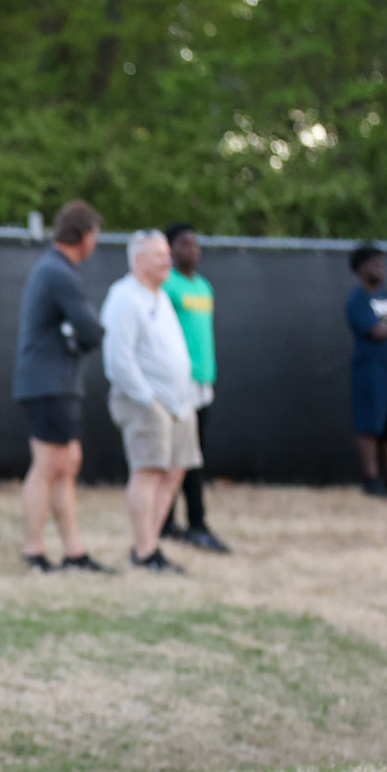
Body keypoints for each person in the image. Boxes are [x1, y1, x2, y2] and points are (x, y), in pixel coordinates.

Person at [12, 200, 108, 573]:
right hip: (47, 385)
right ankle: (34, 552)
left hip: (57, 383)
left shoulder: (53, 269)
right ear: (85, 236)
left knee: (66, 464)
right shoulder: (58, 272)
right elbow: (91, 330)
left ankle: (74, 552)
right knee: (48, 465)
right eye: (95, 235)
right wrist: (81, 337)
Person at [100, 230, 199, 572]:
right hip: (145, 403)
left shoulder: (160, 297)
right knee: (148, 470)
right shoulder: (125, 297)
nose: (167, 260)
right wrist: (147, 398)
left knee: (174, 472)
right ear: (138, 259)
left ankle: (149, 545)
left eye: (167, 253)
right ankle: (144, 553)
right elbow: (118, 359)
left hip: (179, 402)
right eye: (158, 255)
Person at [159, 223, 229, 553]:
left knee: (194, 452)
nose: (192, 250)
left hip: (203, 380)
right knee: (179, 454)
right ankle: (179, 521)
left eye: (195, 244)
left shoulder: (203, 287)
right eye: (184, 244)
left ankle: (185, 521)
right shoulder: (166, 286)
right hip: (177, 382)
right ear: (170, 249)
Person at [344, 246, 387, 499]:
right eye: (375, 263)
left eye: (382, 263)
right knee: (370, 423)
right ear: (360, 268)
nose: (381, 267)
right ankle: (371, 479)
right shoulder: (357, 300)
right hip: (371, 369)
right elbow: (378, 331)